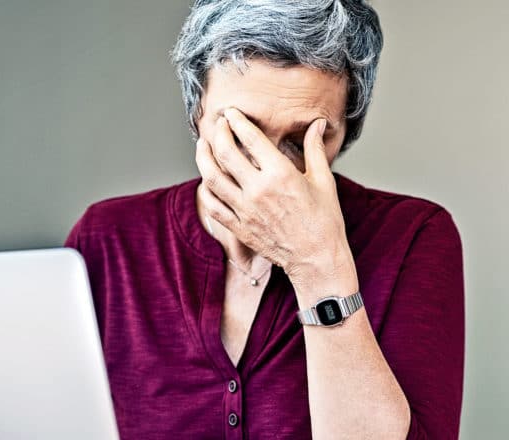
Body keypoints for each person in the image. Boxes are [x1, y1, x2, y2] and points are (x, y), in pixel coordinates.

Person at [64, 1, 464, 439]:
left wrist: (316, 262)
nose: (269, 169)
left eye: (302, 139)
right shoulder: (108, 240)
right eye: (240, 131)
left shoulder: (412, 237)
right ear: (196, 109)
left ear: (346, 130)